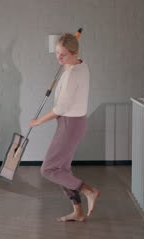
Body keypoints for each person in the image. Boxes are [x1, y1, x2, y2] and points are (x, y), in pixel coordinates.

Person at [28, 33, 101, 222]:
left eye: (63, 55)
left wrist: (38, 122)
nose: (59, 58)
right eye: (57, 53)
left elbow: (60, 108)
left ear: (74, 52)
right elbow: (70, 63)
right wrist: (68, 58)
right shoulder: (81, 65)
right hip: (74, 123)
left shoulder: (72, 75)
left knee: (49, 170)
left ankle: (89, 191)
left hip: (69, 123)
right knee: (62, 169)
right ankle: (78, 211)